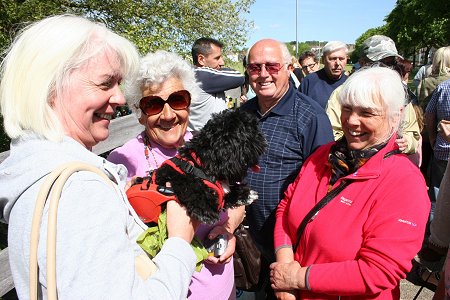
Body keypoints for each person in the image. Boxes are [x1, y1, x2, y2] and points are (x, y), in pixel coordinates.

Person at [0, 15, 198, 299]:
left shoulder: (38, 171)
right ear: (51, 86)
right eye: (106, 84)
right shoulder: (80, 189)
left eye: (118, 84)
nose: (119, 99)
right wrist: (180, 241)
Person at [271, 66, 430, 299]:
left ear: (396, 116)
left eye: (367, 113)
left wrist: (297, 278)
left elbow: (378, 272)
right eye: (347, 109)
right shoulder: (322, 156)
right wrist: (285, 268)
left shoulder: (404, 182)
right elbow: (286, 208)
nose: (352, 121)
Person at [107, 50, 242, 300]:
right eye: (154, 104)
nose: (168, 115)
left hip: (223, 288)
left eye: (177, 99)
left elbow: (237, 200)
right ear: (139, 112)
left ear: (189, 102)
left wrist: (227, 228)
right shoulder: (122, 161)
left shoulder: (208, 147)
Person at [240, 39, 334, 299]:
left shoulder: (310, 117)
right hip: (251, 237)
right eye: (255, 67)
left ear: (289, 68)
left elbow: (325, 186)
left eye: (272, 66)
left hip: (291, 247)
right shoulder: (244, 113)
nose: (263, 74)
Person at [326, 35, 421, 164]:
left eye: (391, 62)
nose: (387, 68)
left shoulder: (401, 94)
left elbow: (412, 133)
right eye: (380, 62)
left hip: (392, 167)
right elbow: (331, 133)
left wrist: (407, 142)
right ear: (363, 63)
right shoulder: (343, 93)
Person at [188, 37, 245, 132]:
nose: (222, 62)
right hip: (205, 141)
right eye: (217, 58)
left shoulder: (205, 79)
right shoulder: (201, 75)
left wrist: (238, 103)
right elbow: (239, 77)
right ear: (201, 59)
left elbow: (221, 104)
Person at [424, 78, 450, 222]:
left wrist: (433, 137)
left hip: (442, 147)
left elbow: (429, 113)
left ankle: (434, 233)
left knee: (437, 191)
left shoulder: (444, 87)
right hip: (442, 147)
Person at [299, 41, 348, 109]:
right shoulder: (309, 82)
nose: (337, 63)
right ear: (323, 60)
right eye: (332, 59)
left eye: (341, 59)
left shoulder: (350, 84)